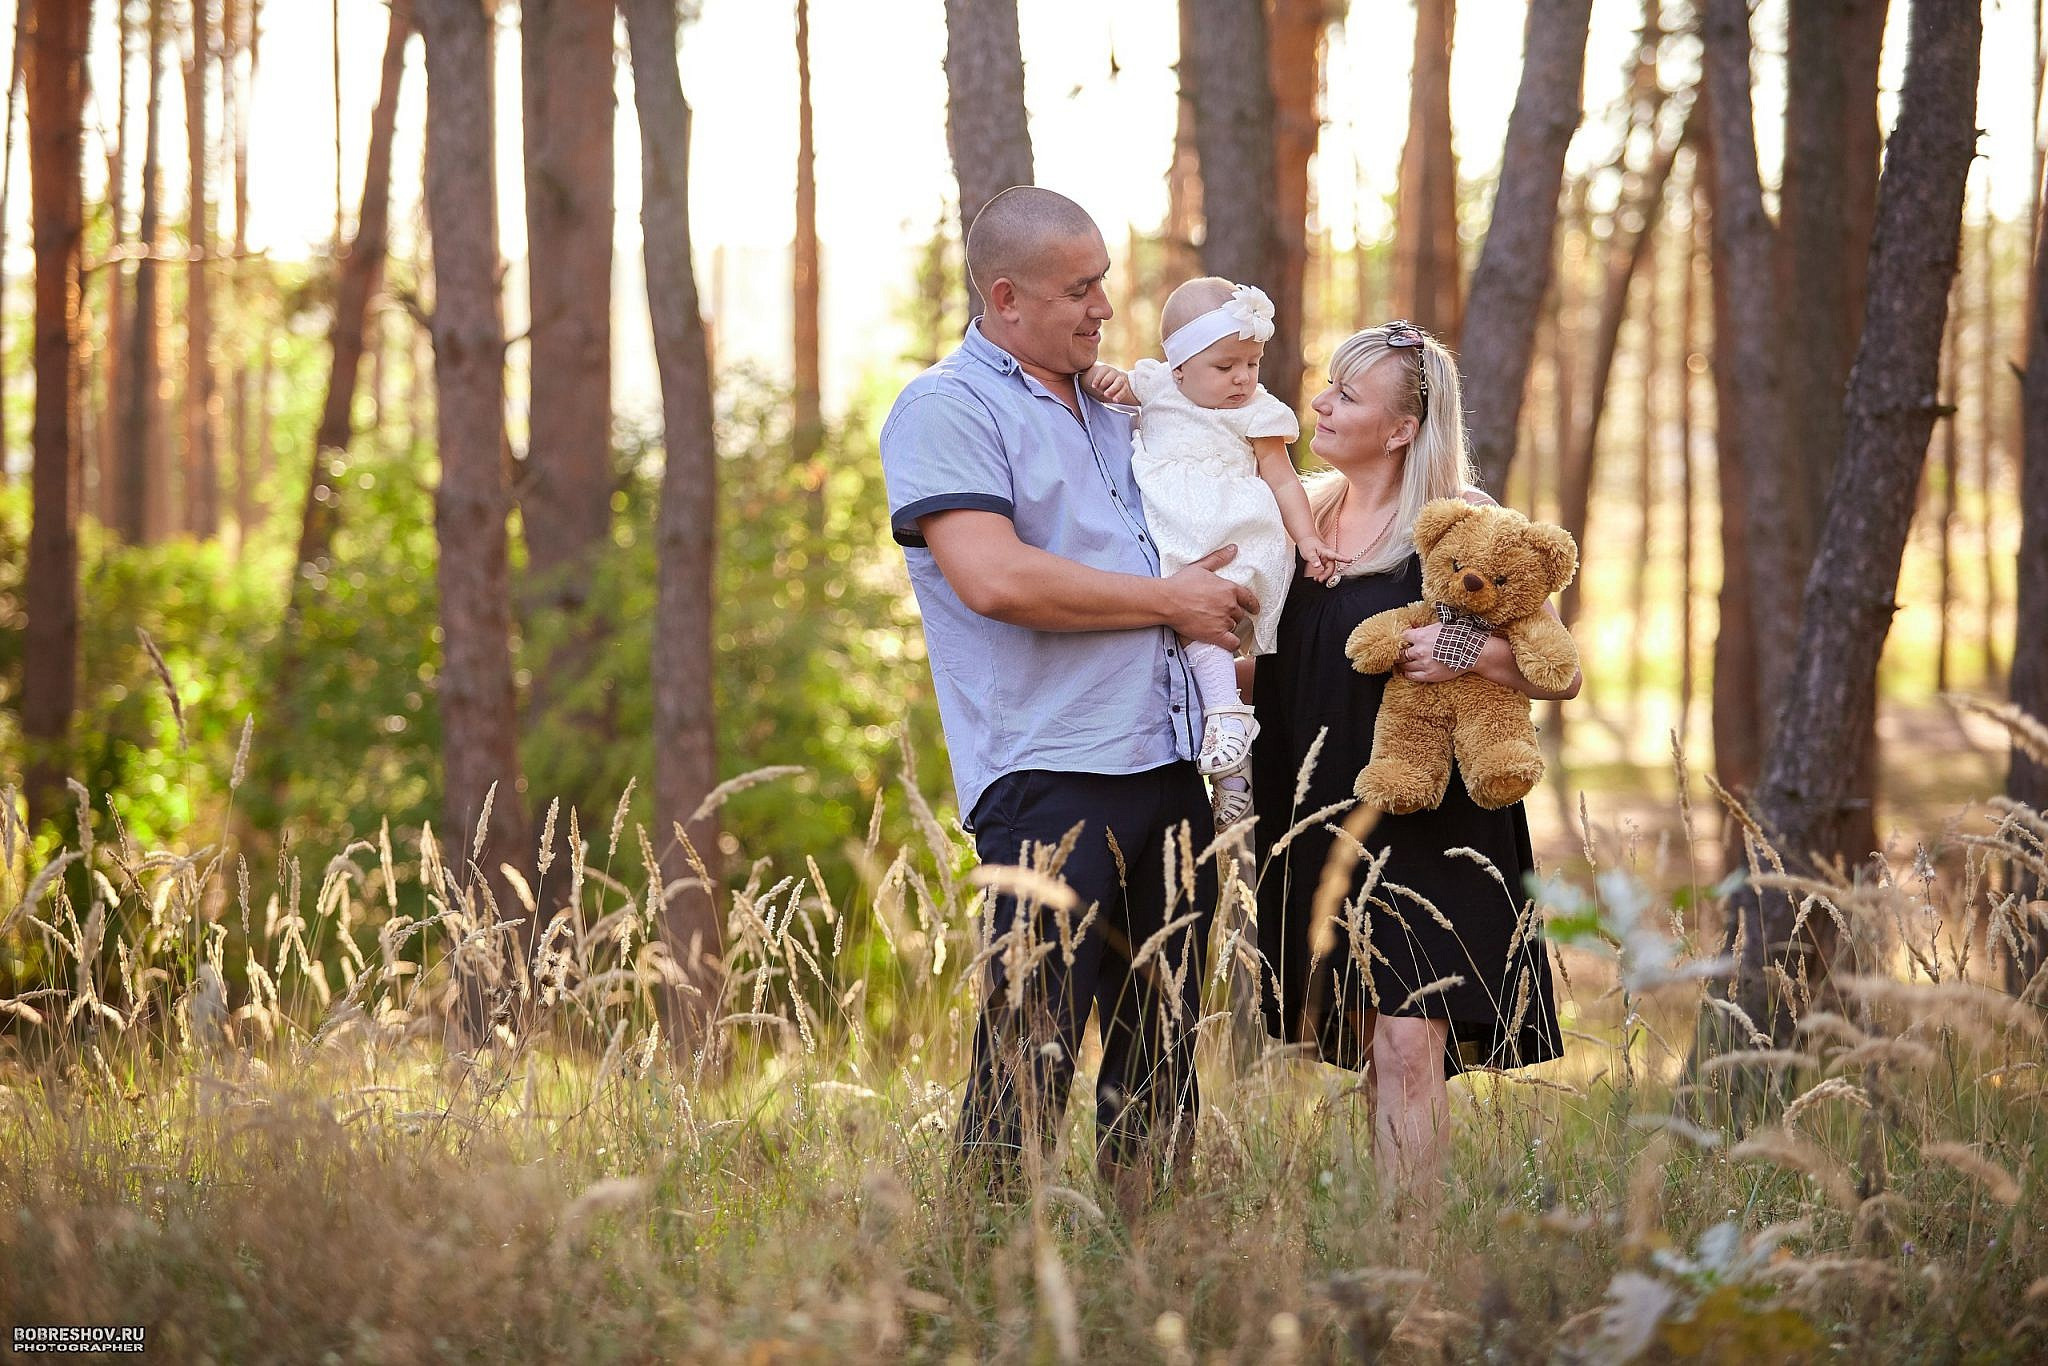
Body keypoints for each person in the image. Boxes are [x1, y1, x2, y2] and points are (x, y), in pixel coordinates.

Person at [877, 187, 1250, 1201]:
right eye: (1077, 291)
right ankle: (986, 1281)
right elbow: (992, 577)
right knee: (1023, 1067)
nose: (1101, 310)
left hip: (1169, 770)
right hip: (1050, 781)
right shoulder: (947, 409)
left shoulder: (1117, 405)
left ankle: (1149, 1284)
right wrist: (1171, 602)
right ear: (1004, 297)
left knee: (1159, 1070)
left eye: (1104, 287)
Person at [1249, 321, 1580, 1217]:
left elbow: (1556, 669)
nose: (1319, 404)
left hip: (1431, 818)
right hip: (1316, 802)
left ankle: (1414, 1263)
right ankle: (1384, 1247)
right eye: (1328, 387)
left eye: (1348, 396)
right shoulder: (1300, 516)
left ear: (1401, 428)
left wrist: (1468, 651)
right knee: (1362, 1033)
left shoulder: (1462, 523)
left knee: (1407, 1041)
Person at [1080, 277, 1344, 830]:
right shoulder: (1156, 388)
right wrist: (1101, 377)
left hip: (1239, 537)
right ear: (1179, 367)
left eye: (1252, 363)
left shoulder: (1258, 412)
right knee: (1184, 626)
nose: (1242, 378)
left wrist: (1308, 539)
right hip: (1175, 536)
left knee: (1205, 620)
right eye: (1225, 367)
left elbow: (1285, 480)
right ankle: (1230, 774)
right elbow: (1108, 387)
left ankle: (1226, 720)